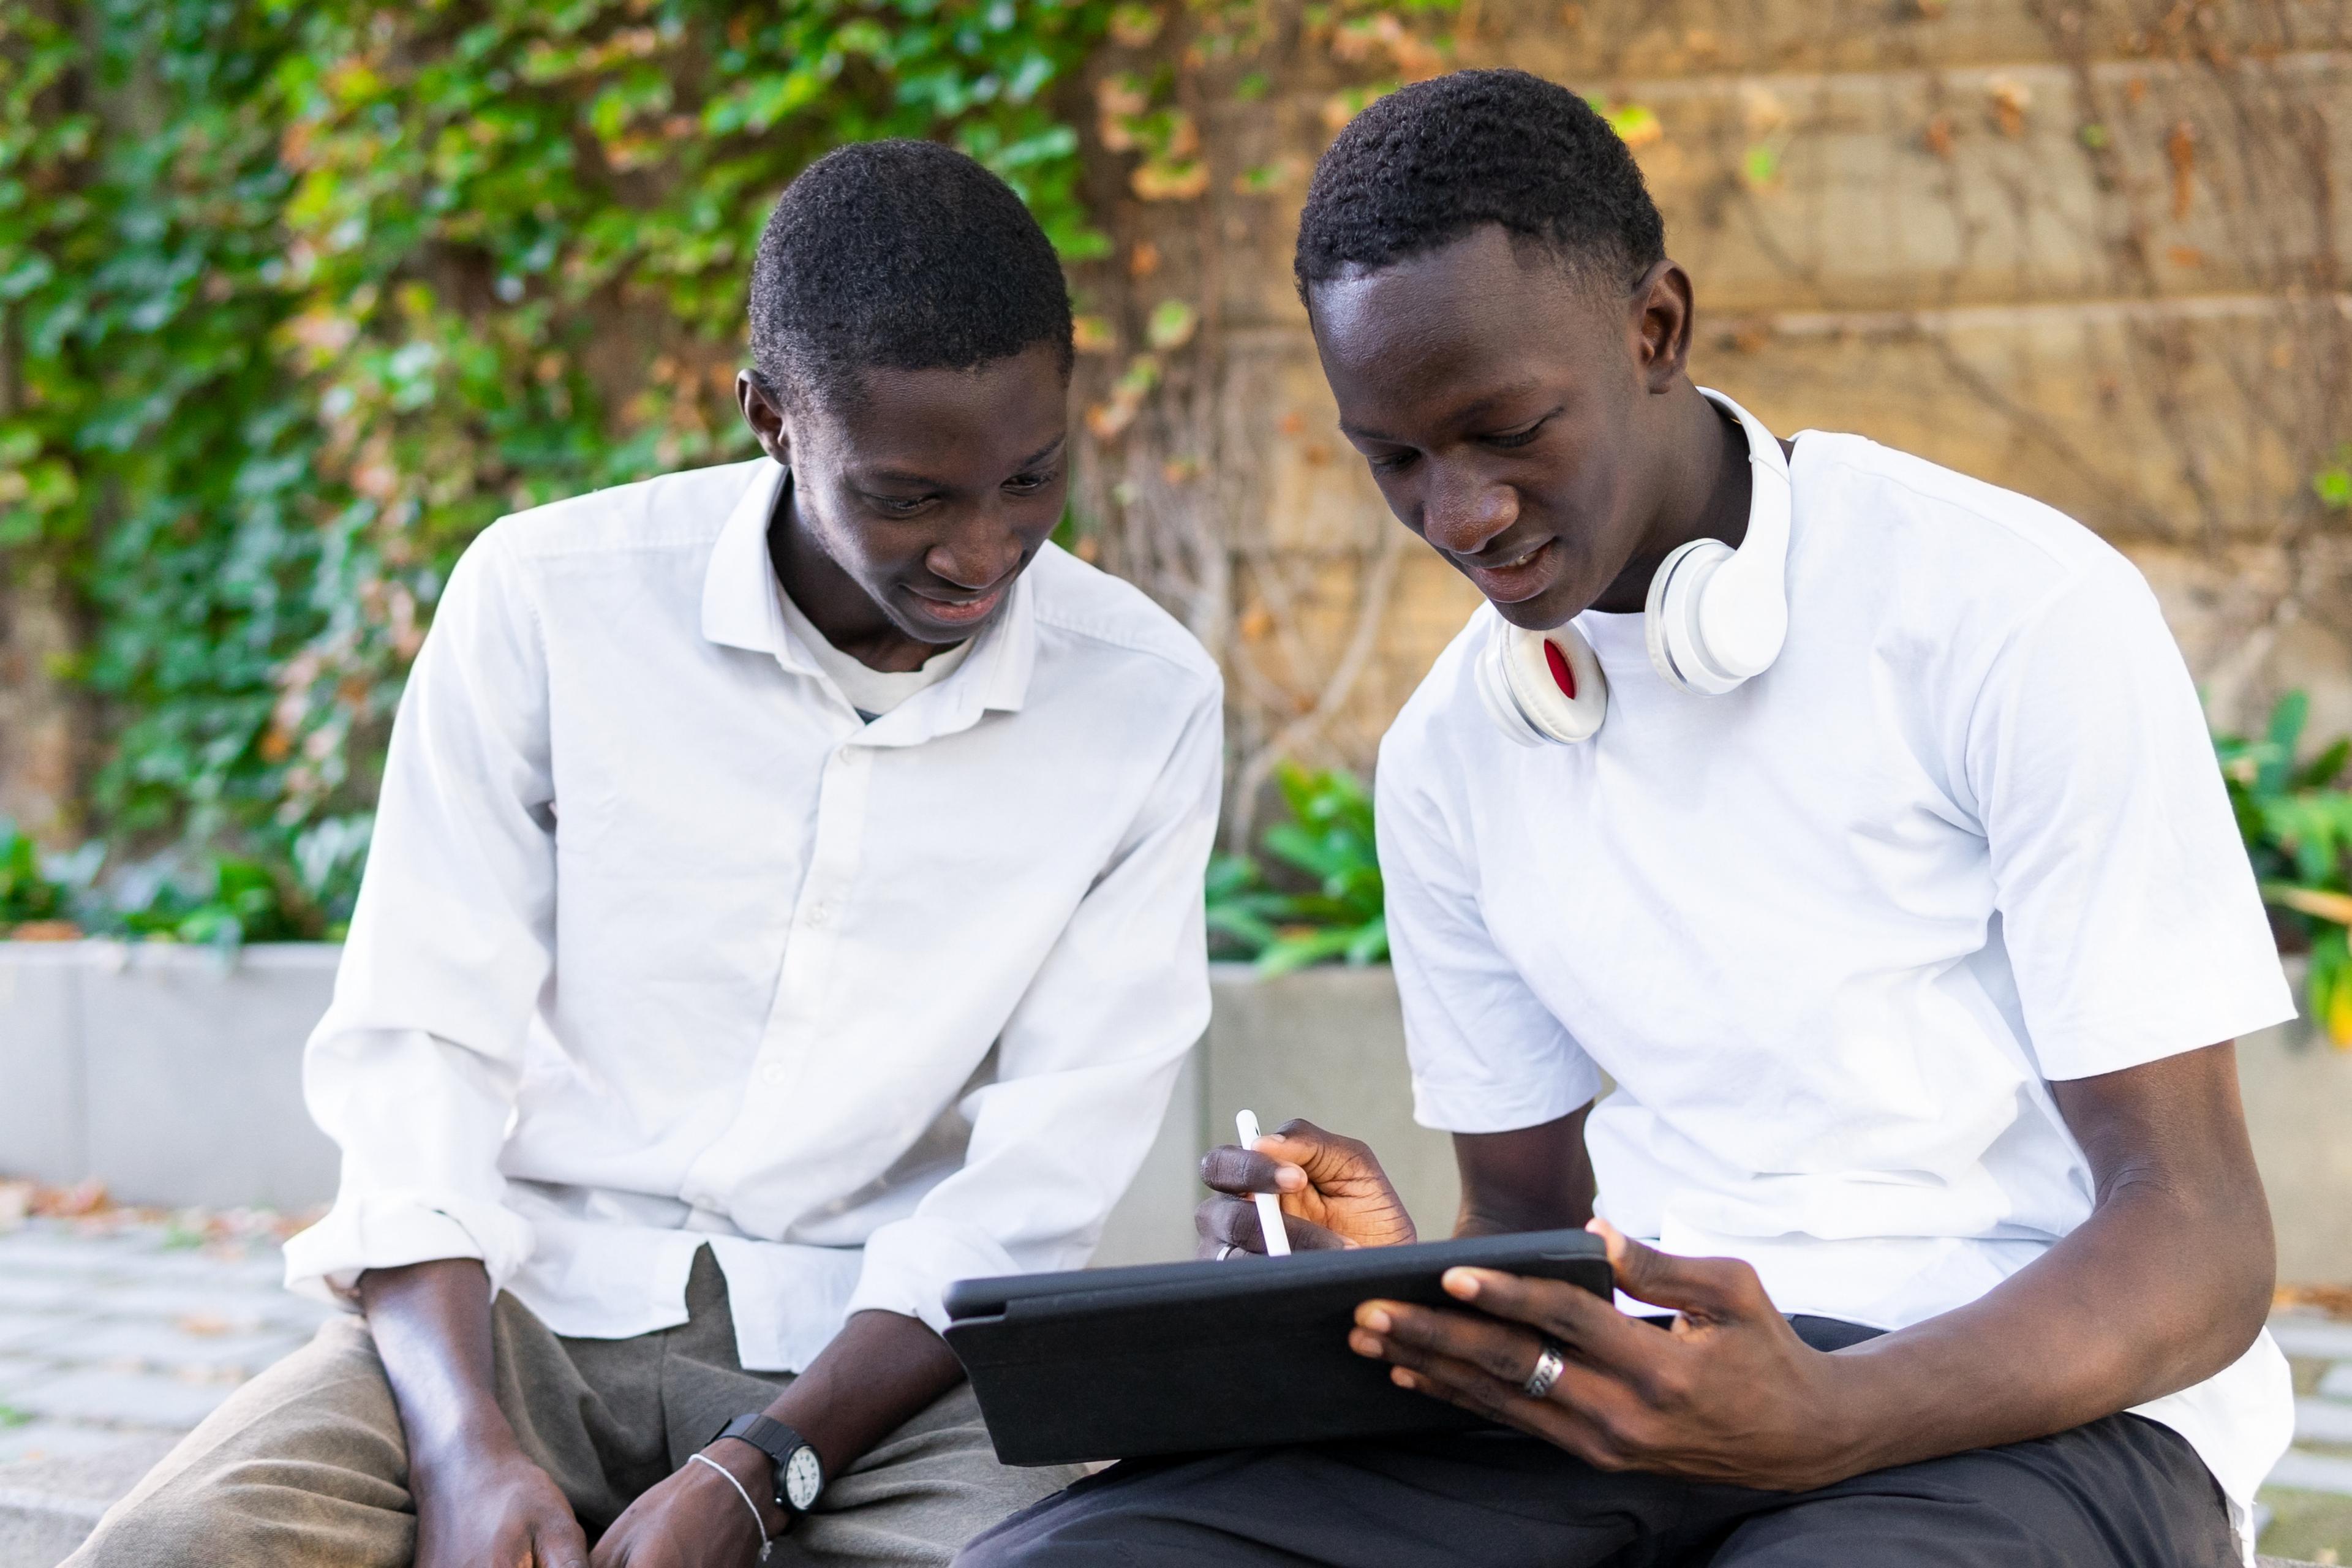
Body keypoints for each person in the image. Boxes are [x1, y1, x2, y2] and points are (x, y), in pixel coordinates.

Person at [961, 69, 2292, 1568]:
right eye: (1395, 456)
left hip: (2024, 1406)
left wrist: (1828, 1413)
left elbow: (2199, 1238)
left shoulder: (2008, 609)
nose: (1458, 516)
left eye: (1506, 427)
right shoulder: (1454, 751)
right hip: (1635, 1391)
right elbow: (1529, 1210)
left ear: (1655, 329)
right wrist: (1394, 1285)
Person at [67, 140, 1223, 1568]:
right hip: (518, 1318)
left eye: (1032, 478)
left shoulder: (1144, 697)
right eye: (911, 496)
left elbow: (1038, 1180)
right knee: (170, 1547)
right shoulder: (547, 601)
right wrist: (461, 1448)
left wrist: (760, 1474)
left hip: (887, 1373)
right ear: (770, 419)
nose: (983, 551)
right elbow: (420, 1048)